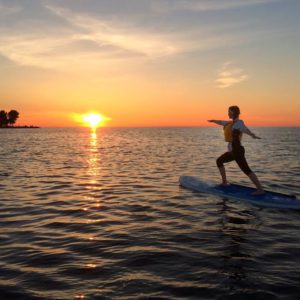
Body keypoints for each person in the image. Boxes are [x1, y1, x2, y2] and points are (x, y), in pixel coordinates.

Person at [208, 105, 264, 195]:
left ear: (233, 113)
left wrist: (253, 135)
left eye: (229, 112)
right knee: (219, 161)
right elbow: (221, 122)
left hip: (237, 151)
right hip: (232, 151)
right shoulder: (230, 123)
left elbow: (245, 130)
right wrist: (214, 121)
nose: (228, 114)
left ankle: (260, 189)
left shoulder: (239, 123)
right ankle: (224, 183)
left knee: (246, 170)